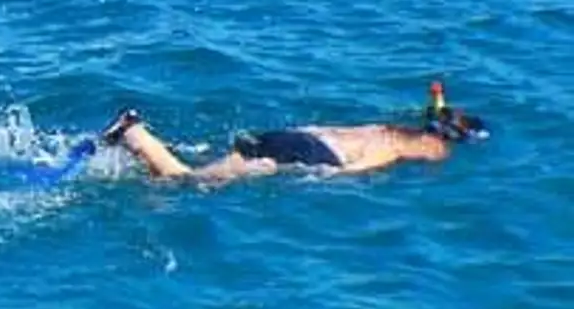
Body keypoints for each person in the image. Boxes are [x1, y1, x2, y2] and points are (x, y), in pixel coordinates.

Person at [100, 81, 488, 182]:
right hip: (307, 154)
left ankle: (134, 153)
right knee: (185, 181)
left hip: (295, 135)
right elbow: (365, 166)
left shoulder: (387, 128)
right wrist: (320, 179)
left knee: (201, 170)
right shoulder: (422, 146)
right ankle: (133, 132)